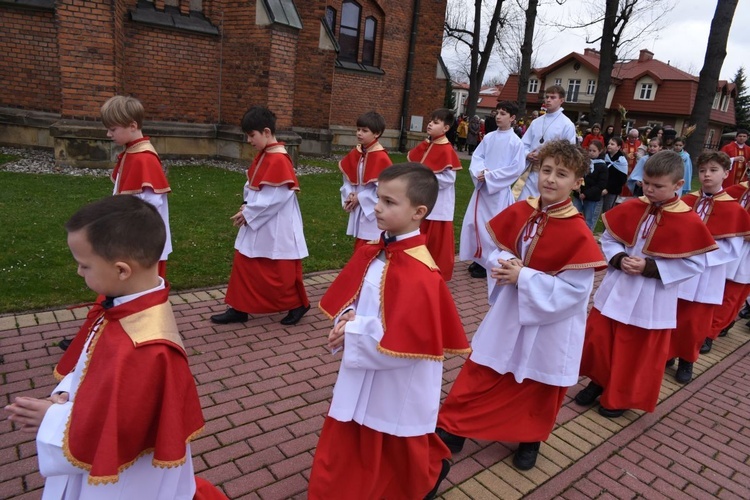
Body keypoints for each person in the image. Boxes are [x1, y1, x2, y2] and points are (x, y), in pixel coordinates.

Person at [4, 196, 218, 499]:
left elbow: (125, 425)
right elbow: (99, 370)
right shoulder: (126, 306)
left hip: (128, 478)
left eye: (84, 265)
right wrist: (70, 392)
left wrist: (51, 420)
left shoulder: (143, 346)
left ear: (121, 270)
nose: (79, 272)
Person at [436, 141, 606, 471]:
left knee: (540, 382)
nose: (551, 179)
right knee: (483, 368)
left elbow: (574, 293)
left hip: (551, 324)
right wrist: (505, 263)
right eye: (545, 170)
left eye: (562, 174)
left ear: (577, 182)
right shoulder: (522, 211)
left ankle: (529, 439)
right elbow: (496, 250)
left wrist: (524, 277)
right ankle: (455, 427)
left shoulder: (579, 234)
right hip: (511, 310)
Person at [308, 163, 471, 499]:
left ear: (418, 212)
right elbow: (361, 299)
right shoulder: (376, 251)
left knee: (395, 429)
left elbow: (406, 337)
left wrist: (352, 332)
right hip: (367, 358)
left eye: (389, 202)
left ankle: (427, 472)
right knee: (359, 423)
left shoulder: (423, 272)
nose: (377, 207)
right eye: (378, 198)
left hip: (397, 372)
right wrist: (347, 316)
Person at [574, 151, 717, 418]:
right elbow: (610, 238)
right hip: (618, 287)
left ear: (677, 185)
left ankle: (620, 396)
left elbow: (695, 264)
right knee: (602, 340)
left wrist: (650, 267)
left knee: (635, 350)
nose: (649, 190)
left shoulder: (688, 220)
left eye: (658, 186)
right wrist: (618, 258)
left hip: (651, 296)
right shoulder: (632, 206)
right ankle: (599, 381)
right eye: (646, 183)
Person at [211, 106, 310, 326]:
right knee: (244, 261)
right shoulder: (264, 155)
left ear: (266, 132)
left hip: (276, 224)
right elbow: (252, 184)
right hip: (258, 218)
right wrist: (247, 205)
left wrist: (250, 213)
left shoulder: (279, 159)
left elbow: (277, 196)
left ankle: (298, 304)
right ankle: (239, 307)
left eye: (251, 135)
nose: (249, 140)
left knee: (278, 269)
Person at [666, 151, 750, 383]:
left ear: (726, 173)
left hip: (707, 273)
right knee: (672, 314)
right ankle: (668, 354)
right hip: (680, 269)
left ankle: (687, 360)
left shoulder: (733, 209)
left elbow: (732, 247)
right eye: (703, 170)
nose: (706, 175)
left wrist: (701, 255)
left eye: (713, 170)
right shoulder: (686, 201)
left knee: (695, 322)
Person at [101, 95, 172, 279]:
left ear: (132, 126)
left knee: (143, 285)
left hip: (143, 240)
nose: (109, 134)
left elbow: (150, 204)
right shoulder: (131, 152)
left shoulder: (144, 158)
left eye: (113, 129)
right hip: (130, 233)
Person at [459, 101, 526, 279]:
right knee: (476, 224)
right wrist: (480, 172)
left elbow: (516, 168)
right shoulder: (489, 137)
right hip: (482, 190)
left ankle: (489, 261)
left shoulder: (516, 142)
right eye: (497, 112)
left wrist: (490, 177)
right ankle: (478, 257)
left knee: (493, 227)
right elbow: (477, 156)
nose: (498, 116)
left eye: (503, 113)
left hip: (498, 193)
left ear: (512, 118)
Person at [407, 108, 462, 280]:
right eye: (431, 120)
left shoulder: (446, 149)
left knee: (436, 242)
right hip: (423, 200)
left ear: (445, 128)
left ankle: (435, 273)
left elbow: (449, 178)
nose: (430, 123)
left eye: (436, 122)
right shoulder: (426, 145)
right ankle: (416, 269)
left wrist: (426, 178)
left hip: (438, 204)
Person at [339, 111, 393, 250]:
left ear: (376, 134)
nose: (359, 133)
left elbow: (385, 189)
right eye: (358, 129)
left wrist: (361, 197)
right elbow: (347, 179)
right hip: (359, 207)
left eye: (364, 130)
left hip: (373, 210)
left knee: (371, 243)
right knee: (360, 243)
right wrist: (350, 194)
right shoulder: (356, 153)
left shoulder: (381, 158)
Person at [517, 85, 577, 200]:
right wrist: (527, 154)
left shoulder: (567, 124)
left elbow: (569, 152)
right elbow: (523, 145)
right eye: (547, 97)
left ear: (561, 100)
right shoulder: (536, 122)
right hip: (531, 172)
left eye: (553, 97)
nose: (548, 100)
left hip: (551, 175)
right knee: (524, 205)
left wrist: (544, 157)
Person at [573, 139, 608, 231]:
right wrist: (576, 187)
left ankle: (586, 238)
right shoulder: (584, 162)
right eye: (589, 150)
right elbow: (577, 175)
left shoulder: (602, 166)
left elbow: (601, 184)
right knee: (573, 215)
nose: (591, 153)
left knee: (588, 219)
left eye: (594, 151)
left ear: (599, 151)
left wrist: (586, 194)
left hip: (591, 198)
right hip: (578, 195)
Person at [601, 137, 629, 213]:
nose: (609, 145)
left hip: (612, 190)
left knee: (607, 211)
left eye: (612, 144)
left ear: (618, 147)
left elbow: (621, 180)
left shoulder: (621, 160)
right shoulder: (605, 156)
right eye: (609, 144)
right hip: (601, 188)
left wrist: (608, 189)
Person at [620, 128, 642, 197]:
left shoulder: (639, 143)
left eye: (636, 137)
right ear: (629, 136)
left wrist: (637, 154)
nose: (634, 139)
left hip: (633, 167)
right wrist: (624, 153)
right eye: (632, 137)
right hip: (624, 166)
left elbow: (641, 154)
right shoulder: (624, 143)